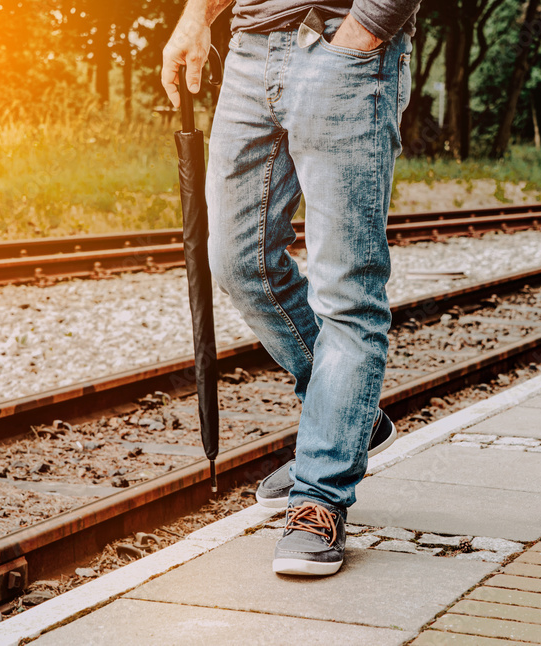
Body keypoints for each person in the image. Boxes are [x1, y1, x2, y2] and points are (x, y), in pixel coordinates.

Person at [162, 0, 420, 576]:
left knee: (346, 292)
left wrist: (365, 32)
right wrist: (195, 19)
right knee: (236, 263)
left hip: (347, 49)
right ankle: (351, 418)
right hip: (251, 51)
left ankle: (319, 497)